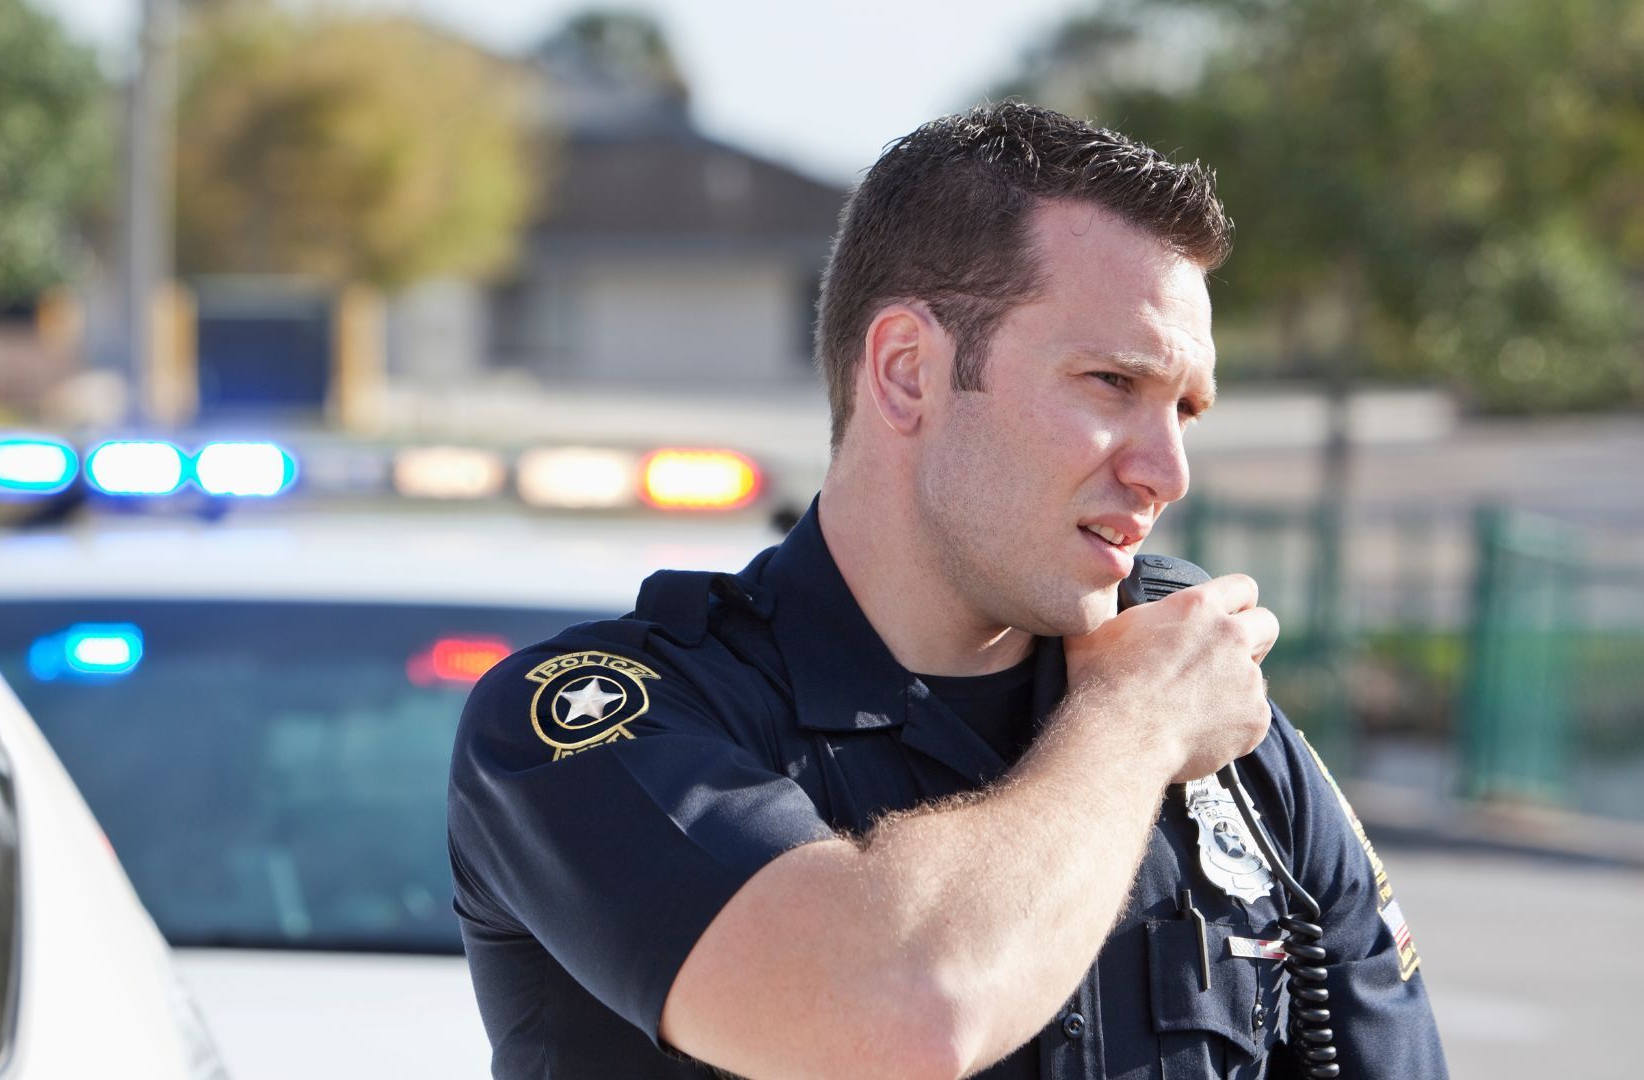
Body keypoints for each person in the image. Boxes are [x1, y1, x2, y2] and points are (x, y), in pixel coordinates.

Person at [447, 102, 1446, 1079]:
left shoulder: (1233, 748)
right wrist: (1133, 724)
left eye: (1185, 408)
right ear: (908, 373)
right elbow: (895, 1022)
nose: (1167, 470)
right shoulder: (588, 726)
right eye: (1110, 383)